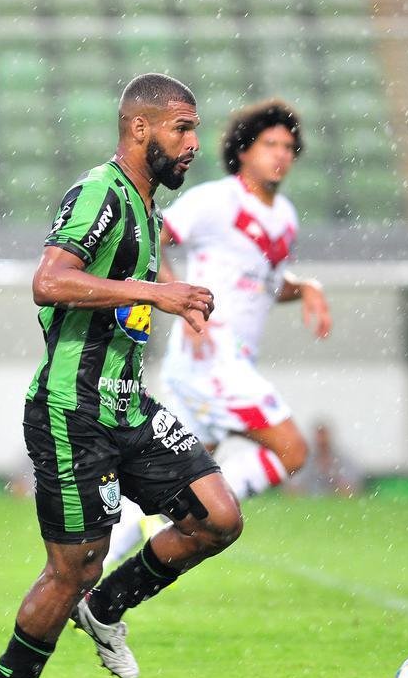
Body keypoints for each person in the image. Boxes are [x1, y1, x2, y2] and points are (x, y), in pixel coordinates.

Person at [0, 73, 243, 678]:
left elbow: (128, 294)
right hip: (73, 410)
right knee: (72, 566)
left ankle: (109, 606)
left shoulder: (148, 208)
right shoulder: (102, 192)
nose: (194, 143)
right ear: (141, 128)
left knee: (219, 518)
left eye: (196, 130)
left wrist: (175, 294)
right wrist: (157, 296)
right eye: (183, 129)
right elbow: (48, 281)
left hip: (128, 405)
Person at [106, 98, 333, 567]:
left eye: (289, 147)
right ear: (244, 150)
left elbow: (266, 285)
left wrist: (305, 288)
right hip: (213, 356)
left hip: (224, 363)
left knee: (168, 481)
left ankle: (92, 580)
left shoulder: (285, 217)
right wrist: (183, 300)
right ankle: (205, 510)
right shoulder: (216, 200)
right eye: (270, 143)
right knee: (291, 449)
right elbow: (155, 238)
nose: (281, 154)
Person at [285, 421, 363, 498]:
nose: (321, 440)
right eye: (319, 436)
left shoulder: (343, 459)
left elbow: (351, 487)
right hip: (310, 500)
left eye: (323, 436)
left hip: (335, 501)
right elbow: (293, 487)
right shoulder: (305, 459)